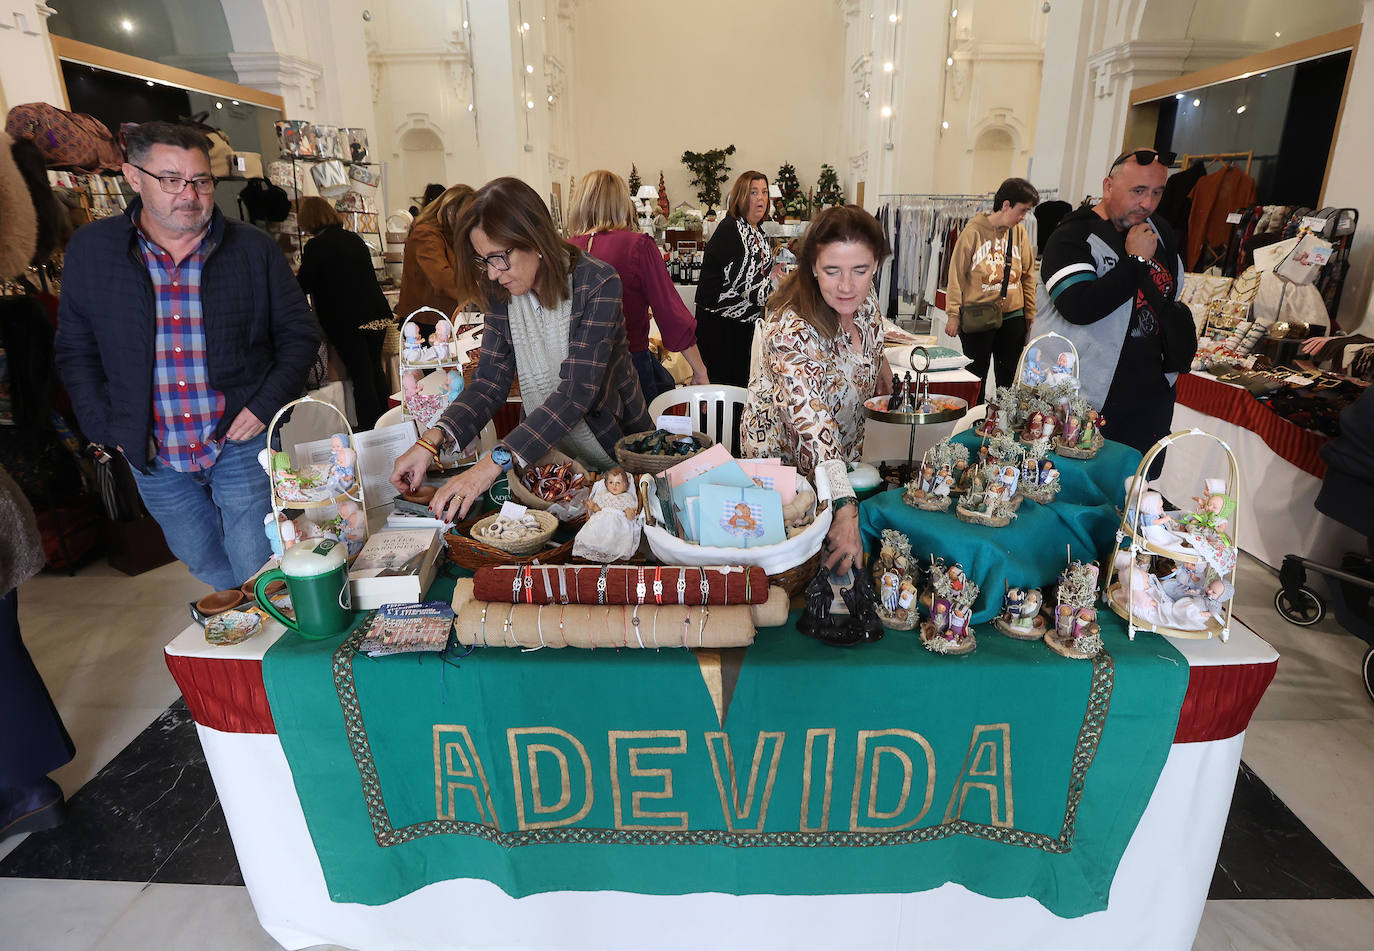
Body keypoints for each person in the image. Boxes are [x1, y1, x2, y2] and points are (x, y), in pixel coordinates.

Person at [55, 121, 319, 591]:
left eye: (200, 181)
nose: (189, 194)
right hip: (151, 447)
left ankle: (258, 638)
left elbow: (300, 335)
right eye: (170, 180)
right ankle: (241, 614)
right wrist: (105, 426)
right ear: (133, 177)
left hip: (239, 439)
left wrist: (262, 406)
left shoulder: (252, 249)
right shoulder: (93, 251)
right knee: (197, 553)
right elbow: (76, 351)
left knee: (253, 557)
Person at [390, 177, 651, 521]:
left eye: (500, 258)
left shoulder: (597, 283)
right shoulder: (499, 289)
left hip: (614, 455)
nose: (494, 274)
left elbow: (575, 393)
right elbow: (488, 383)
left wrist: (491, 465)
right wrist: (431, 441)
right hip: (547, 459)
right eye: (485, 260)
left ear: (535, 238)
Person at [740, 204, 894, 573]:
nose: (847, 285)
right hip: (784, 465)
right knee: (794, 568)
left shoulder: (866, 300)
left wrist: (879, 363)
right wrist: (844, 506)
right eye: (832, 271)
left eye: (861, 270)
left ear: (875, 265)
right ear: (812, 267)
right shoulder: (791, 329)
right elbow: (813, 426)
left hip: (838, 456)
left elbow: (870, 336)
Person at [1032, 148, 1185, 455]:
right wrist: (1136, 260)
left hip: (1149, 404)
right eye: (1138, 191)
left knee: (1135, 486)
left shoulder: (1160, 231)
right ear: (1108, 186)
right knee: (1071, 487)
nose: (1147, 203)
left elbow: (1169, 294)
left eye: (1157, 192)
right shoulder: (1072, 235)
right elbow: (1078, 307)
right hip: (1083, 402)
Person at [566, 170, 709, 400]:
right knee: (638, 434)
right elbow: (671, 314)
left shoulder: (563, 249)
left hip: (575, 373)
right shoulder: (637, 246)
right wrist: (699, 370)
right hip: (628, 368)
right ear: (621, 204)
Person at [295, 196, 393, 429]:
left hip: (347, 320)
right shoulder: (354, 239)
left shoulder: (315, 247)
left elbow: (303, 285)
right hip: (376, 313)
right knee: (375, 369)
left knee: (361, 375)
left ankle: (371, 429)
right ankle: (388, 422)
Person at [944, 178, 1038, 401]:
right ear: (1006, 205)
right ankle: (974, 423)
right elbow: (956, 275)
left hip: (1013, 315)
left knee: (1008, 380)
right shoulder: (973, 232)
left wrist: (1030, 313)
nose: (1024, 216)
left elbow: (1027, 275)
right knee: (976, 376)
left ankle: (1002, 426)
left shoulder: (1019, 233)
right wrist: (953, 315)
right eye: (1022, 210)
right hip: (978, 314)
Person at [695, 170, 782, 386]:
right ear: (742, 197)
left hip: (743, 325)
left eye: (764, 192)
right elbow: (754, 291)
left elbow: (764, 272)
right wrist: (789, 290)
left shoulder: (755, 230)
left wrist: (774, 277)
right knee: (724, 396)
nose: (761, 198)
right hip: (723, 330)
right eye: (754, 192)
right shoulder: (732, 231)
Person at [396, 184, 477, 334]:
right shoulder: (425, 233)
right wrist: (477, 297)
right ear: (451, 210)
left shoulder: (447, 233)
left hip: (439, 319)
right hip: (425, 323)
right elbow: (441, 277)